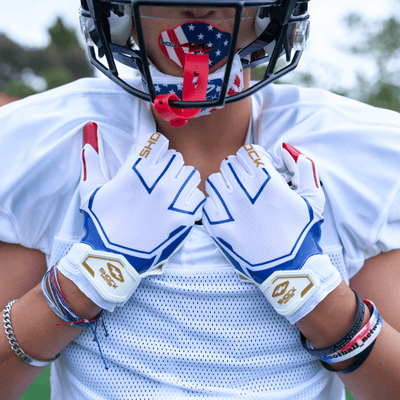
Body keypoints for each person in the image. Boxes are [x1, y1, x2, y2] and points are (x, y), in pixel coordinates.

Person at [1, 0, 400, 399]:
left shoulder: (350, 151)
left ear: (273, 12)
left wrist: (315, 296)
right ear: (117, 12)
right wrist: (82, 282)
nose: (197, 9)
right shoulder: (47, 142)